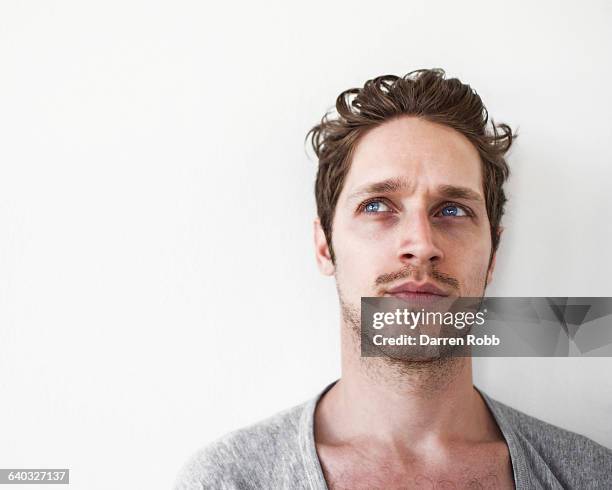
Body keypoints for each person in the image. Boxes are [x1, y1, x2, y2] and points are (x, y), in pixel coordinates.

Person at [174, 69, 612, 489]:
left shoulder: (591, 476)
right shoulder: (229, 480)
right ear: (325, 246)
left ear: (493, 254)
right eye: (378, 206)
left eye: (453, 210)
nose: (421, 244)